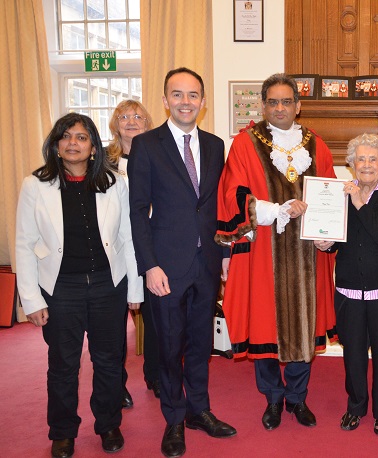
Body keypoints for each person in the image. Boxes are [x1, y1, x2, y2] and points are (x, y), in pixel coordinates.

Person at [15, 113, 143, 458]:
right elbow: (24, 244)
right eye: (66, 136)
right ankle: (62, 432)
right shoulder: (35, 185)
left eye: (82, 137)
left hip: (108, 285)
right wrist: (31, 299)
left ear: (92, 146)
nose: (74, 143)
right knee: (63, 364)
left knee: (108, 360)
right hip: (60, 289)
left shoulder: (115, 182)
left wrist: (135, 288)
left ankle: (108, 424)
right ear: (56, 145)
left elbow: (128, 238)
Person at [216, 73, 337, 432]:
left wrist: (328, 234)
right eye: (273, 102)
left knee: (304, 324)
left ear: (298, 107)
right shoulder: (244, 143)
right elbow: (232, 194)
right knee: (263, 323)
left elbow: (329, 194)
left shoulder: (318, 146)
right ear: (263, 105)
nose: (280, 108)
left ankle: (297, 398)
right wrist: (276, 210)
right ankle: (273, 398)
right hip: (263, 252)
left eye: (287, 102)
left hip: (307, 254)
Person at [128, 67, 236, 458]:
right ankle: (173, 419)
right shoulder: (146, 145)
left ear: (203, 102)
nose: (186, 102)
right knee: (170, 346)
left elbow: (219, 206)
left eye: (193, 95)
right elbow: (138, 211)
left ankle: (199, 411)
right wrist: (149, 265)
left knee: (201, 343)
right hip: (166, 267)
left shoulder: (214, 145)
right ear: (165, 100)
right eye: (178, 94)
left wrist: (224, 254)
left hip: (206, 262)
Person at [314, 134, 378, 436]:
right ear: (351, 163)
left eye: (373, 159)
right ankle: (355, 407)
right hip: (348, 290)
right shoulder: (338, 195)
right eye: (361, 159)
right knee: (352, 354)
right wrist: (325, 243)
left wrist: (358, 203)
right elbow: (336, 241)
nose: (366, 164)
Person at [106, 100, 160, 408]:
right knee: (114, 325)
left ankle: (154, 375)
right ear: (115, 124)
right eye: (124, 117)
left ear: (148, 122)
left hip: (150, 247)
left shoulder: (156, 155)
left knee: (154, 317)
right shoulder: (103, 161)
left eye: (138, 116)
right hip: (115, 251)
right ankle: (116, 384)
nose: (131, 121)